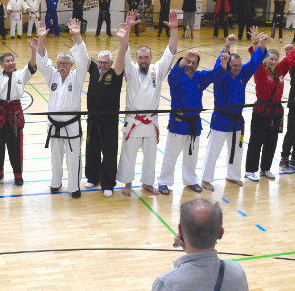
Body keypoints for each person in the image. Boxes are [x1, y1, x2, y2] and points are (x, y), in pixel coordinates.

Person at [116, 11, 178, 196]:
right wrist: (128, 27)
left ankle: (148, 183)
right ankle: (128, 183)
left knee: (151, 155)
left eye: (146, 57)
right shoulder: (130, 70)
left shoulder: (157, 70)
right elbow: (124, 48)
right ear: (136, 59)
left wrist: (174, 29)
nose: (143, 60)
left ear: (151, 58)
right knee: (129, 153)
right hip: (133, 120)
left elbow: (171, 52)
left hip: (150, 121)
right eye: (140, 57)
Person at [200, 31, 267, 190]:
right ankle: (206, 179)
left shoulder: (242, 73)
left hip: (237, 120)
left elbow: (254, 62)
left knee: (236, 149)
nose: (237, 68)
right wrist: (227, 46)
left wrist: (262, 45)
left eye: (239, 65)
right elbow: (219, 65)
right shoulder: (221, 76)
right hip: (221, 119)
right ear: (228, 65)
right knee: (213, 151)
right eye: (234, 65)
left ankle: (233, 175)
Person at [158, 49, 227, 195]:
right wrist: (184, 58)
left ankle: (190, 180)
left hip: (194, 123)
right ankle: (164, 181)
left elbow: (214, 74)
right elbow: (173, 76)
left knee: (192, 155)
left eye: (193, 63)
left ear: (197, 65)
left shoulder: (200, 78)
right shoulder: (177, 77)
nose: (190, 65)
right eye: (188, 62)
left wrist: (223, 63)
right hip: (178, 123)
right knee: (171, 155)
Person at [243, 28, 295, 180]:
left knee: (271, 142)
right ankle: (250, 170)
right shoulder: (260, 71)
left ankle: (265, 168)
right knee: (256, 142)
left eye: (275, 59)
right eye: (270, 59)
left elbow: (292, 58)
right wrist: (258, 43)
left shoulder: (280, 70)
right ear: (265, 59)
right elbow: (255, 59)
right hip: (261, 111)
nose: (273, 62)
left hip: (276, 112)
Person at [37, 18, 89, 198]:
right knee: (56, 157)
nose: (60, 66)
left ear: (71, 65)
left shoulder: (77, 77)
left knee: (74, 158)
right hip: (54, 125)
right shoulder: (53, 76)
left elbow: (83, 59)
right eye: (59, 63)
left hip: (71, 125)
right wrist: (41, 39)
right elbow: (42, 61)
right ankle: (56, 182)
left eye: (64, 64)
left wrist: (77, 36)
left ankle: (74, 187)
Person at [152, 199, 249, 291]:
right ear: (221, 233)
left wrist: (190, 253)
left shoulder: (166, 283)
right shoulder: (237, 272)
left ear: (180, 230)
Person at [0, 35, 37, 187]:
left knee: (15, 147)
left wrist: (34, 50)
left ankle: (18, 175)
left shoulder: (21, 75)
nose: (11, 63)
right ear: (2, 64)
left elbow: (32, 65)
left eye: (12, 60)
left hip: (15, 113)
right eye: (7, 61)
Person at [84, 17, 131, 197]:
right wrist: (76, 36)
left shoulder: (115, 73)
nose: (102, 64)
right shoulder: (94, 69)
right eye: (100, 62)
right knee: (92, 150)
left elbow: (121, 56)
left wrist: (123, 40)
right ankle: (93, 177)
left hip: (109, 122)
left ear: (110, 63)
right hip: (92, 121)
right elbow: (82, 55)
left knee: (109, 152)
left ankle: (108, 183)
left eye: (105, 62)